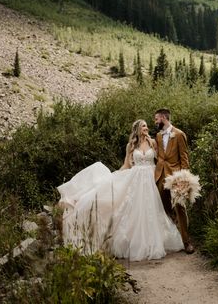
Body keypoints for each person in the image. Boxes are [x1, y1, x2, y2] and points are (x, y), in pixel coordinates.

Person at [57, 119, 183, 261]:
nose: (146, 128)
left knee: (150, 210)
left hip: (150, 179)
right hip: (136, 179)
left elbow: (160, 160)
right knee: (134, 210)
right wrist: (114, 175)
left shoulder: (153, 142)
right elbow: (127, 165)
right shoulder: (131, 146)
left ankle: (153, 242)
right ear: (137, 129)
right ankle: (134, 243)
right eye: (143, 126)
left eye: (147, 126)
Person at [154, 108, 195, 254]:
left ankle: (186, 242)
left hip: (176, 177)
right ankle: (172, 238)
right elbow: (159, 156)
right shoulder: (158, 136)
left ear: (164, 118)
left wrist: (184, 178)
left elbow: (184, 158)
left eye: (157, 119)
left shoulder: (179, 134)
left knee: (179, 207)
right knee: (164, 208)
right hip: (160, 177)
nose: (155, 122)